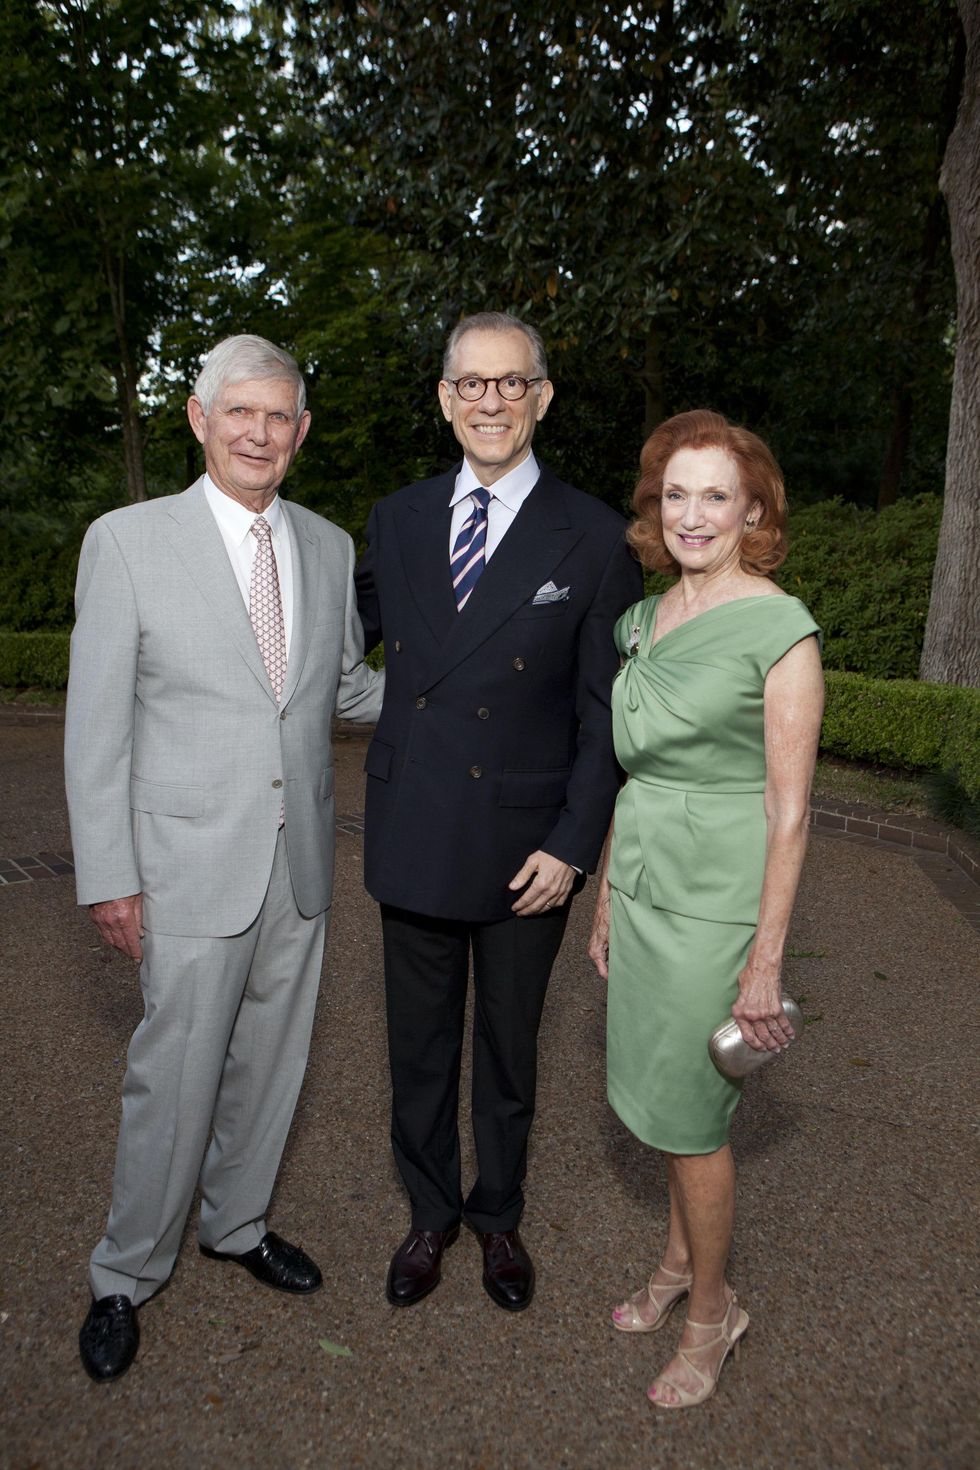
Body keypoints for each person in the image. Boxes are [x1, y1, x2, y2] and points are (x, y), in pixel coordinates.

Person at [65, 334, 384, 1382]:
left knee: (272, 1066)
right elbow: (96, 726)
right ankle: (125, 1272)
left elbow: (337, 692)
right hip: (185, 865)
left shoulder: (330, 547)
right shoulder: (125, 542)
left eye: (279, 416)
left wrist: (465, 698)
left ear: (300, 430)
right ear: (199, 419)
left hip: (299, 866)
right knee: (174, 1075)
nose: (259, 432)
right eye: (238, 412)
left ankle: (237, 1223)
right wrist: (110, 874)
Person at [355, 311, 643, 1311]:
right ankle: (428, 1214)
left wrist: (572, 846)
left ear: (541, 397)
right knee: (418, 1045)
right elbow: (334, 647)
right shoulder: (391, 520)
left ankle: (497, 1215)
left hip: (529, 848)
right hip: (417, 829)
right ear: (443, 399)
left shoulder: (598, 537)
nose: (489, 400)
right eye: (469, 384)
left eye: (509, 383)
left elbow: (603, 715)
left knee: (508, 1048)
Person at [588, 409, 823, 1409]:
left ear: (751, 509)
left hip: (716, 905)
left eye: (713, 495)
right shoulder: (642, 622)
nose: (690, 514)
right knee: (658, 1100)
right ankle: (677, 1263)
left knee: (689, 1120)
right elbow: (626, 774)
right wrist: (604, 893)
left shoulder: (779, 629)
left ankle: (711, 1312)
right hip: (640, 884)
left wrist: (763, 960)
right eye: (674, 494)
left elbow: (789, 809)